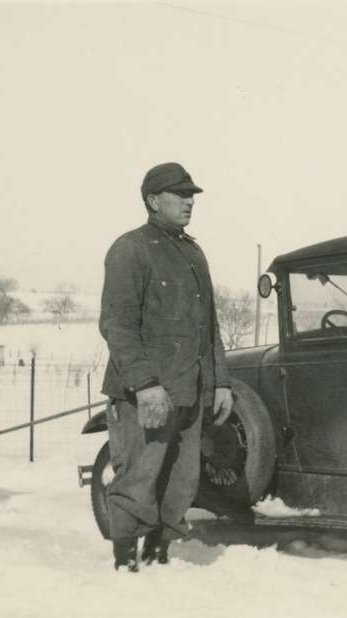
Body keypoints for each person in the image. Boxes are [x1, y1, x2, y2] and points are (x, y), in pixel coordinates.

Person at [99, 162, 235, 572]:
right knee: (138, 478)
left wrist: (221, 384)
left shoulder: (193, 252)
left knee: (182, 481)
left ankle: (160, 556)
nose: (189, 201)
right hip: (149, 394)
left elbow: (207, 328)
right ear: (153, 201)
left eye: (191, 194)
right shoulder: (130, 249)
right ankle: (125, 564)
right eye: (180, 194)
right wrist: (145, 384)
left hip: (189, 392)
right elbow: (117, 326)